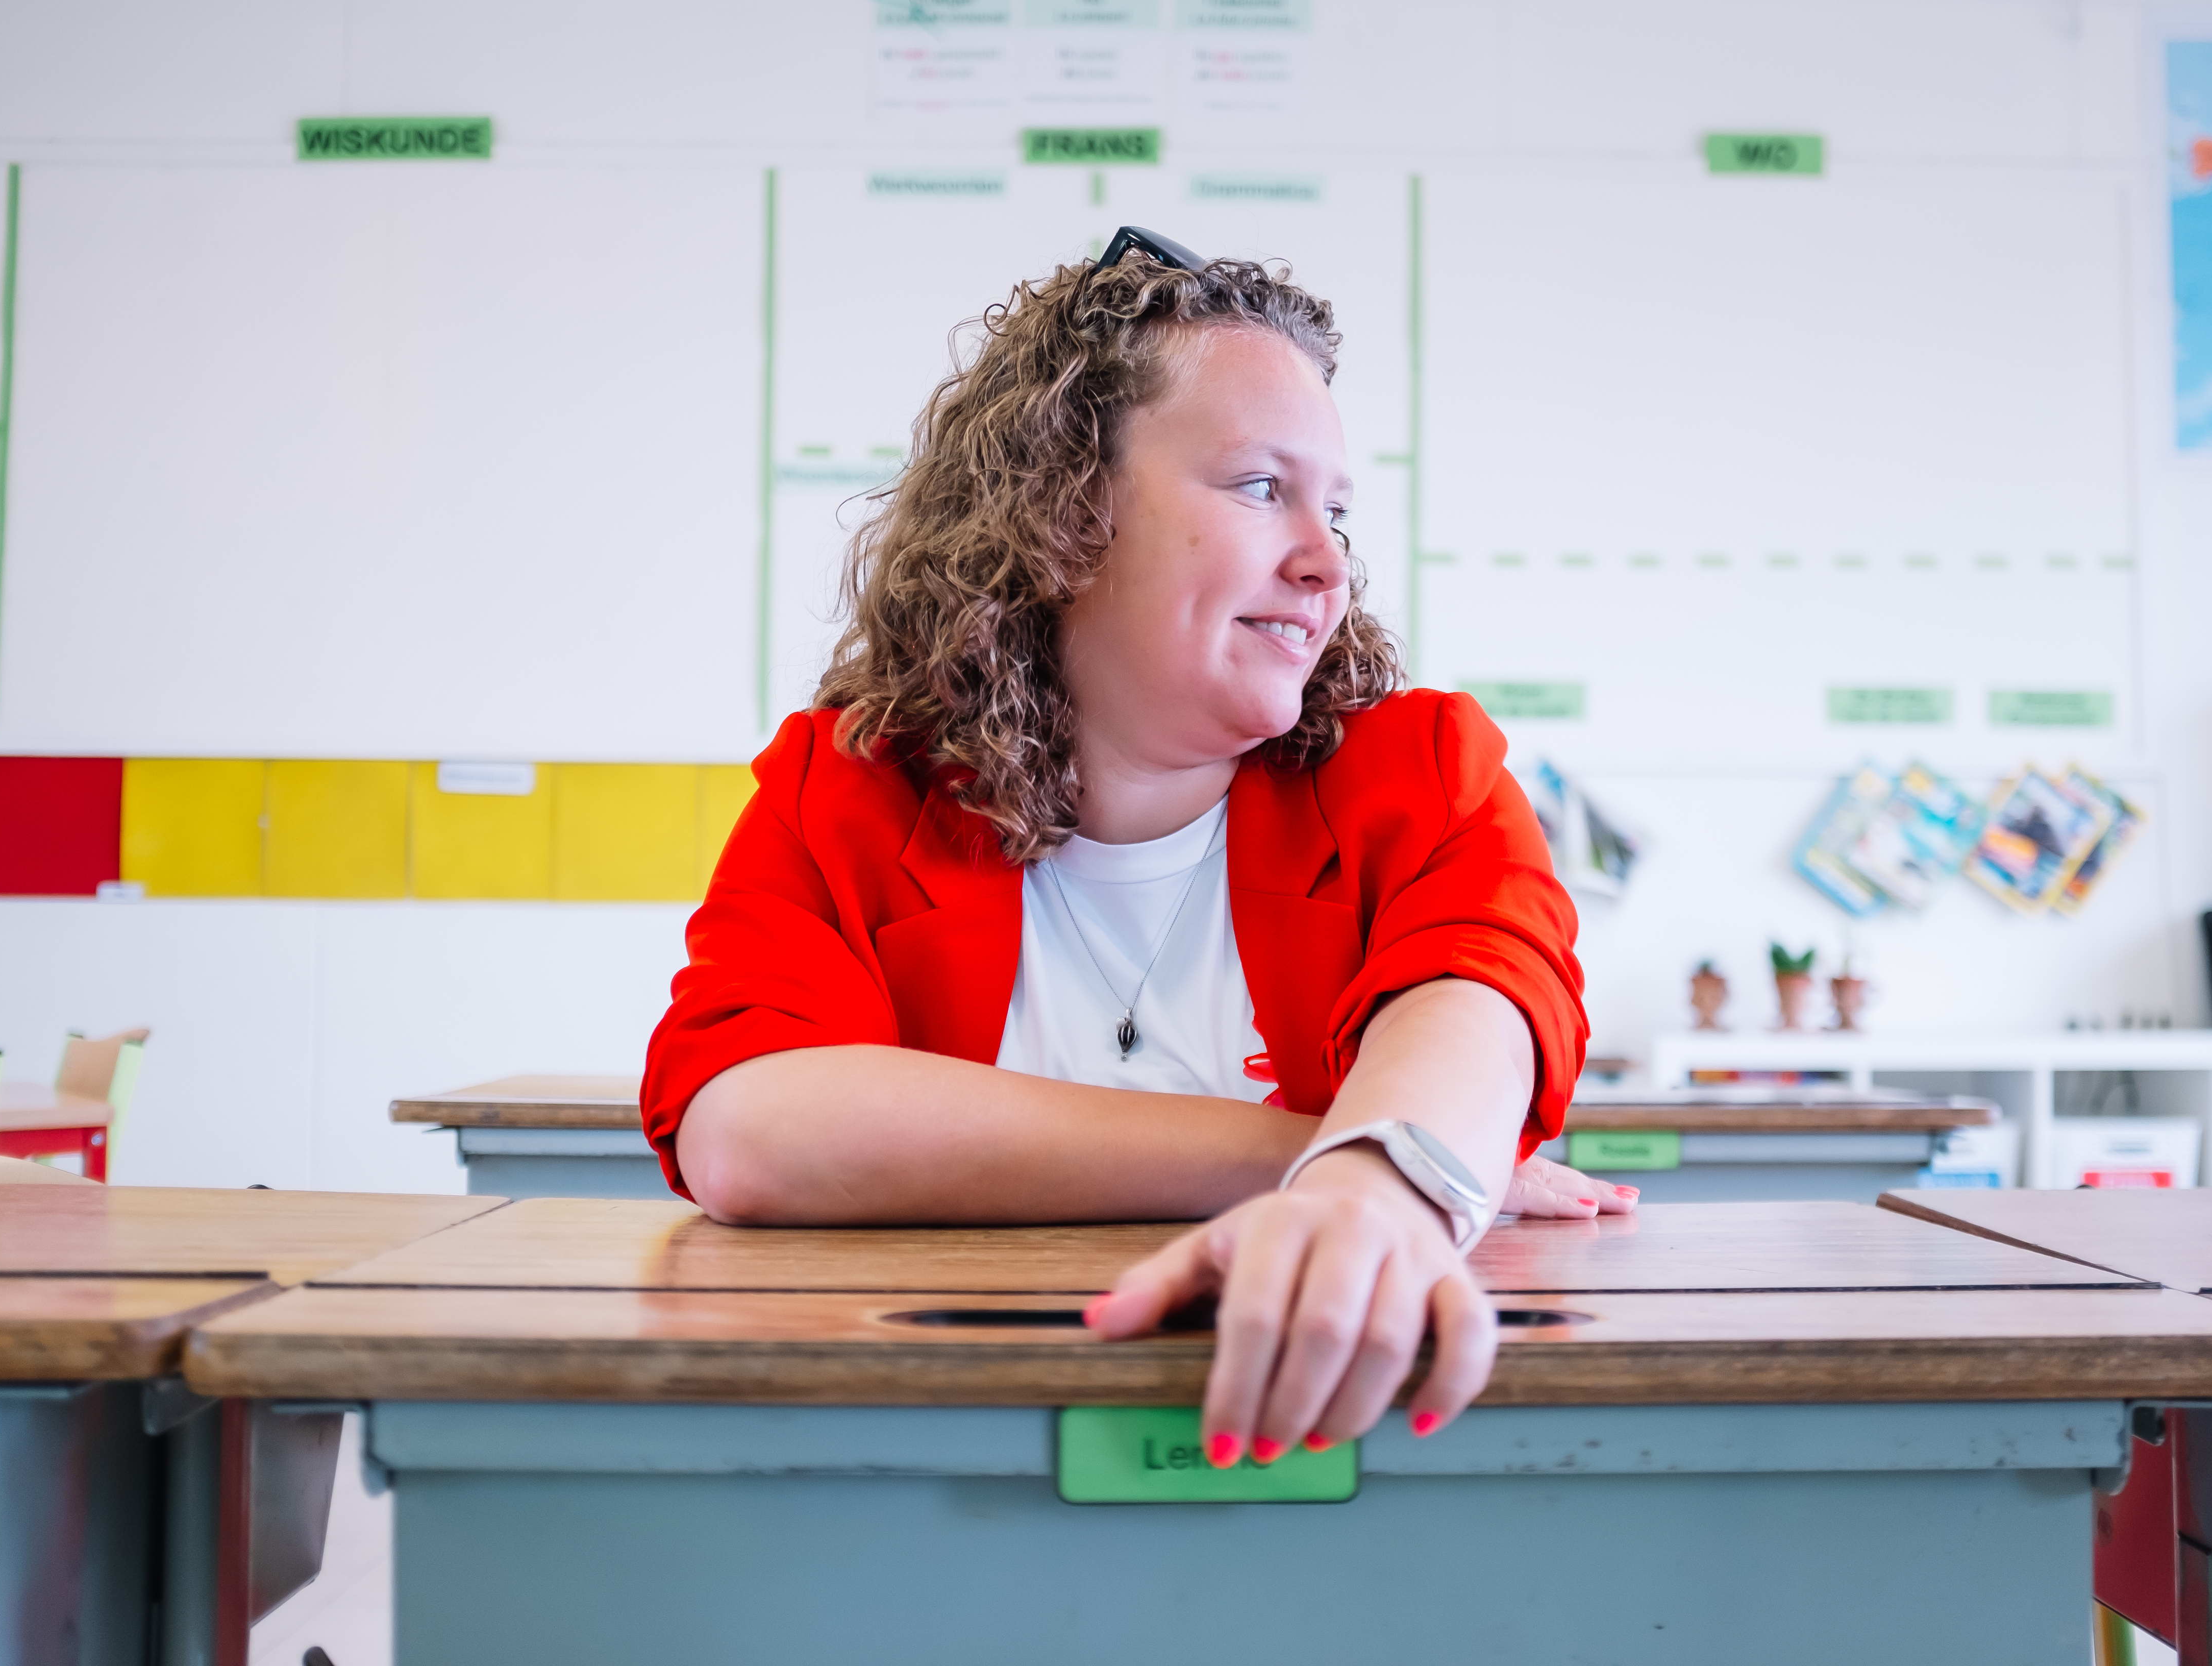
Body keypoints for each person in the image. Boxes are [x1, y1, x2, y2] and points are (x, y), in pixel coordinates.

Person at [642, 229, 1632, 1465]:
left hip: (1354, 1437)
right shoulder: (849, 787)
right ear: (1064, 510)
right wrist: (1333, 1156)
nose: (1327, 563)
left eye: (1335, 510)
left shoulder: (1424, 769)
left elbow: (1481, 1002)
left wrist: (1377, 1197)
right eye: (1261, 487)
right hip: (935, 1439)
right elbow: (747, 1127)